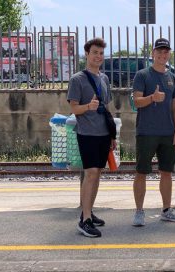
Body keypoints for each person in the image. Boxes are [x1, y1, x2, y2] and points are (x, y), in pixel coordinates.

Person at [131, 38, 175, 226]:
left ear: (169, 54)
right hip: (146, 131)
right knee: (141, 172)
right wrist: (152, 98)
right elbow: (136, 102)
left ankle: (166, 209)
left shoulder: (173, 78)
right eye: (159, 51)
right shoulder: (142, 75)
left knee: (166, 172)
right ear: (153, 53)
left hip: (168, 132)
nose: (163, 55)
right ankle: (139, 211)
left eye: (166, 52)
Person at [67, 37, 115, 238]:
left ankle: (89, 211)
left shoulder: (104, 78)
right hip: (87, 133)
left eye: (101, 53)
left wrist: (112, 135)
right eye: (95, 52)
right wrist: (88, 107)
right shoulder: (77, 79)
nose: (98, 56)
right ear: (86, 54)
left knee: (97, 174)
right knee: (91, 173)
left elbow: (107, 107)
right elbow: (74, 108)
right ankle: (84, 220)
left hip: (103, 133)